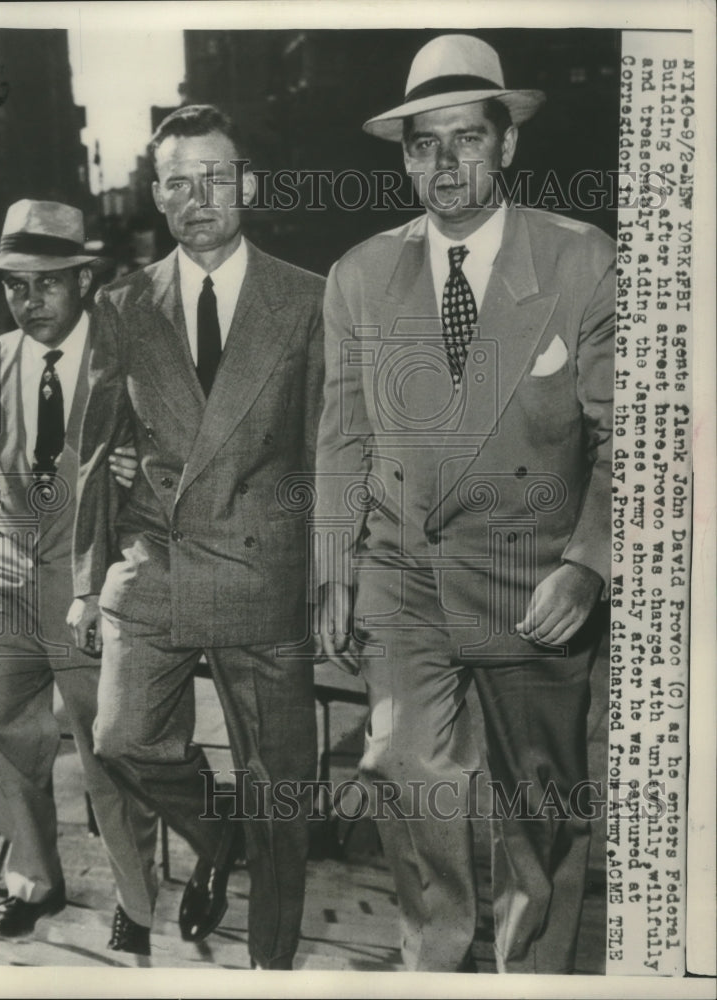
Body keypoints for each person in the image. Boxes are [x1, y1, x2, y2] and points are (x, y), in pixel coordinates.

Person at [315, 35, 615, 973]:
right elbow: (344, 436)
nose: (444, 164)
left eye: (466, 138)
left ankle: (532, 974)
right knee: (406, 773)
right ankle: (434, 964)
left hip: (537, 579)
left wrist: (588, 561)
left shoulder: (579, 261)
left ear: (507, 146)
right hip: (406, 574)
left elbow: (631, 439)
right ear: (403, 156)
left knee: (543, 812)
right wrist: (333, 568)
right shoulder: (361, 275)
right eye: (423, 143)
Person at [68, 104, 324, 971]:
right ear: (157, 196)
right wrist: (83, 576)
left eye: (215, 176)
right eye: (178, 181)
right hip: (161, 560)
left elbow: (332, 447)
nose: (198, 195)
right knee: (122, 740)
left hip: (268, 567)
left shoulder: (306, 298)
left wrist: (332, 574)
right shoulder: (122, 302)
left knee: (282, 795)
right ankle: (218, 838)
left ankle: (271, 967)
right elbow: (95, 451)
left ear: (246, 183)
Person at [0, 199, 159, 956]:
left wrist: (137, 486)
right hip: (5, 573)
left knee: (106, 750)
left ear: (82, 279)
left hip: (94, 582)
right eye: (14, 285)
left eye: (45, 283)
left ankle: (136, 903)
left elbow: (172, 467)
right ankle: (36, 881)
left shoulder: (127, 362)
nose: (28, 300)